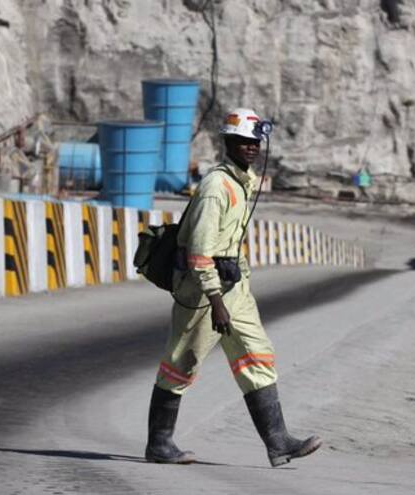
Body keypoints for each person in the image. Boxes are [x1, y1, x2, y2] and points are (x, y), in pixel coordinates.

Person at [145, 108, 322, 467]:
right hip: (202, 291)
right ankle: (159, 444)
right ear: (228, 143)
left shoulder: (243, 182)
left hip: (233, 286)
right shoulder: (216, 187)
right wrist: (216, 302)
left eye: (255, 142)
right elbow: (199, 252)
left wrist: (232, 292)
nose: (251, 147)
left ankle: (278, 443)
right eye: (242, 142)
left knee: (257, 354)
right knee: (182, 363)